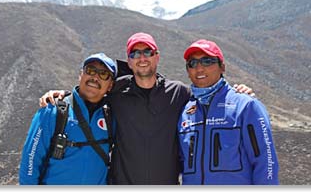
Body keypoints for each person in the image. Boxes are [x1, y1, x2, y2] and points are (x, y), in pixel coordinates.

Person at [39, 32, 254, 185]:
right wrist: (63, 95)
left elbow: (209, 97)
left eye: (147, 52)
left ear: (157, 57)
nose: (142, 58)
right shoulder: (116, 93)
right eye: (135, 54)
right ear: (129, 62)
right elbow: (90, 93)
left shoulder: (178, 93)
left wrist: (237, 92)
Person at [178, 39, 279, 185]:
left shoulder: (246, 106)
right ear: (188, 71)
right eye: (193, 63)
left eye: (207, 61)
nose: (199, 68)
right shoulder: (185, 111)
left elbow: (266, 162)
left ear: (222, 67)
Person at [19, 53, 117, 185]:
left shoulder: (112, 117)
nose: (95, 77)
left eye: (103, 74)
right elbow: (30, 162)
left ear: (110, 85)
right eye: (91, 70)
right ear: (81, 74)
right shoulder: (53, 110)